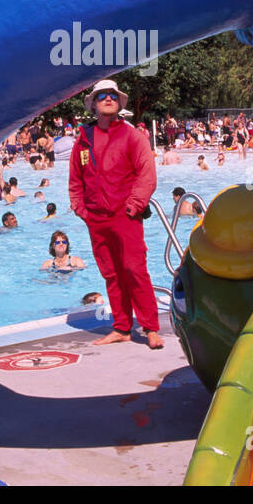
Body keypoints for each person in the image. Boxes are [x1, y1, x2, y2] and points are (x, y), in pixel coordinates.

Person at [69, 80, 163, 349]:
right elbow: (75, 179)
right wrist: (81, 209)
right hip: (96, 218)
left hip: (125, 215)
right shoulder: (83, 140)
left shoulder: (133, 136)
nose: (108, 98)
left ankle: (150, 327)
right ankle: (122, 327)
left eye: (112, 95)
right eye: (102, 96)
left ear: (119, 103)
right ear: (94, 104)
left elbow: (147, 174)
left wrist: (133, 205)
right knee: (111, 273)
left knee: (135, 269)